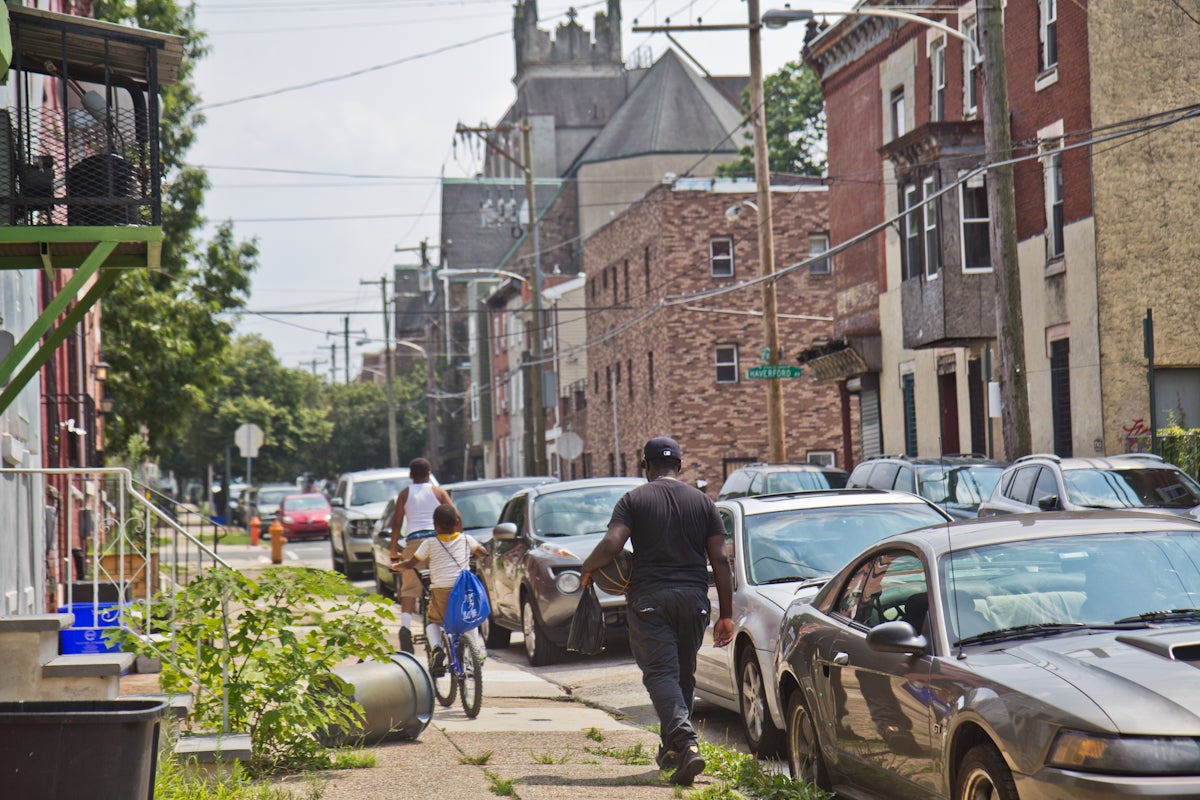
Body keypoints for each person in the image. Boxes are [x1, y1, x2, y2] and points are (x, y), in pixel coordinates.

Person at [580, 436, 733, 786]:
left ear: (645, 466)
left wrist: (588, 567)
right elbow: (721, 559)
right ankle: (673, 751)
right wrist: (726, 613)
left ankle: (686, 743)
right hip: (694, 599)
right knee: (682, 676)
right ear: (679, 465)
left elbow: (611, 545)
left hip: (650, 599)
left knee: (661, 674)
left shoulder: (633, 500)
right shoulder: (704, 502)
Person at [390, 503, 487, 659]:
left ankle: (436, 650)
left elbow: (410, 563)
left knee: (433, 622)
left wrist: (396, 566)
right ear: (457, 523)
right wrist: (474, 557)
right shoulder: (466, 539)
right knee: (469, 619)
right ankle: (476, 650)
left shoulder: (429, 543)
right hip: (463, 589)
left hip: (441, 590)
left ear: (435, 525)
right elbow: (483, 552)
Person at [388, 458, 453, 653]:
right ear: (429, 473)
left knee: (409, 588)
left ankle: (406, 627)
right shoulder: (438, 492)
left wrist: (393, 551)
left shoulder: (405, 494)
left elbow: (397, 523)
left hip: (414, 543)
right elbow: (455, 515)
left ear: (410, 475)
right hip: (437, 541)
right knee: (441, 583)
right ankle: (446, 628)